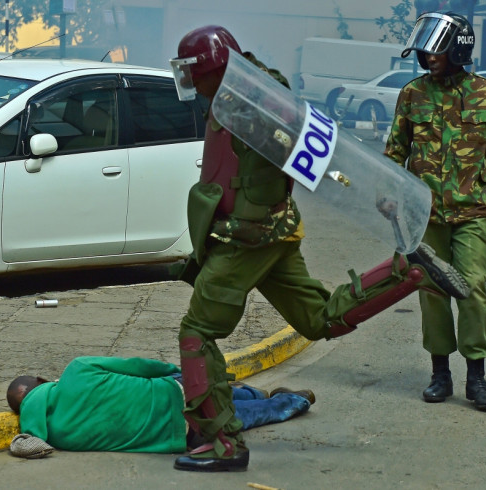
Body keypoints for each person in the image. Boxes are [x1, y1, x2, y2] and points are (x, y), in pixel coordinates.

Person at [169, 25, 470, 472]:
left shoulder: (250, 103)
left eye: (193, 73)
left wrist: (369, 194)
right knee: (316, 319)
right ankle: (406, 272)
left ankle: (220, 444)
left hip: (246, 239)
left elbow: (305, 155)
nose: (191, 84)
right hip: (274, 234)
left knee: (196, 332)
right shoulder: (250, 87)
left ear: (210, 68)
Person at [384, 12, 486, 412]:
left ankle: (477, 377)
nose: (427, 55)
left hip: (472, 211)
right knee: (432, 291)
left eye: (436, 47)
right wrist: (390, 198)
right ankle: (440, 373)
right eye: (424, 49)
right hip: (424, 215)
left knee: (472, 286)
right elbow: (394, 154)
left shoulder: (484, 94)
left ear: (459, 48)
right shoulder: (412, 94)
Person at [6, 356, 316, 454]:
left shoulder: (53, 436)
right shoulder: (77, 369)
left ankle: (282, 402)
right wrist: (175, 370)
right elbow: (139, 366)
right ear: (43, 379)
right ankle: (284, 398)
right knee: (211, 392)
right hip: (175, 394)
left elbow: (28, 443)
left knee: (238, 416)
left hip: (179, 436)